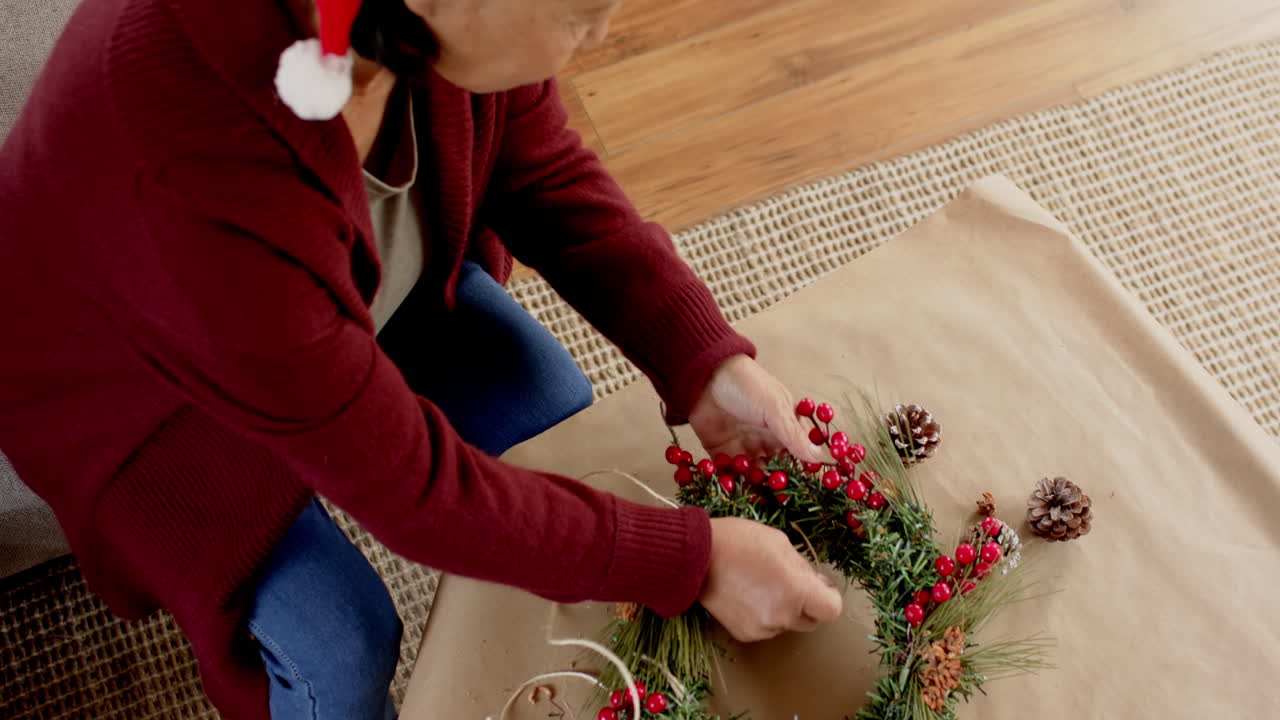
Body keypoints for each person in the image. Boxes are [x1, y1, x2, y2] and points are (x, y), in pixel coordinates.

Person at [0, 0, 845, 718]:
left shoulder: (415, 28)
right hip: (154, 405)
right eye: (582, 16)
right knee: (345, 645)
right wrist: (692, 561)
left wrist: (702, 363)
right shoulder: (200, 168)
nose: (600, 38)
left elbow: (542, 167)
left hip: (338, 308)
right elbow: (415, 491)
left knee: (550, 410)